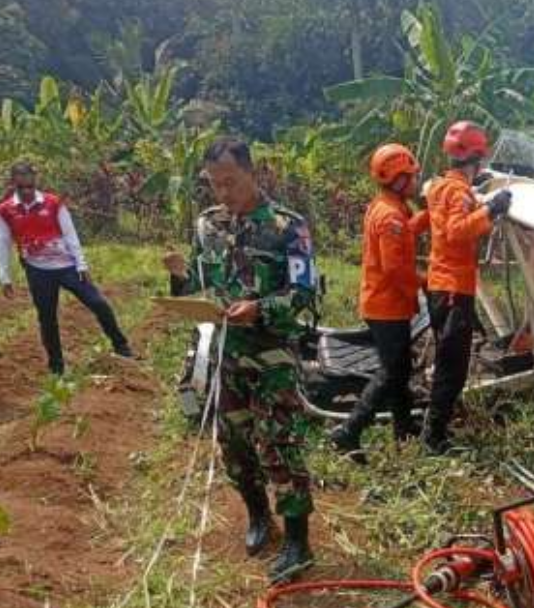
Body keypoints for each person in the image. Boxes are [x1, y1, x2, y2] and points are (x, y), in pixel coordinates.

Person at [163, 138, 319, 584]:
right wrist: (180, 276)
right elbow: (201, 279)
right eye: (214, 184)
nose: (223, 193)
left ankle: (297, 542)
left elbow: (303, 293)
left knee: (280, 444)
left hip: (271, 355)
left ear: (253, 172)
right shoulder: (208, 224)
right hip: (225, 353)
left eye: (230, 182)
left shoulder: (288, 226)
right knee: (233, 445)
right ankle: (258, 516)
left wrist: (260, 308)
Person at [329, 144, 429, 454]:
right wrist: (428, 283)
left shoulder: (389, 206)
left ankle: (404, 428)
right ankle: (349, 429)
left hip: (383, 302)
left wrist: (432, 214)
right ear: (398, 179)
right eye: (411, 176)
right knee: (391, 371)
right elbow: (395, 269)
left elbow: (407, 233)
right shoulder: (390, 216)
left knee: (399, 368)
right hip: (387, 306)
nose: (415, 181)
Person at [420, 121, 512, 454]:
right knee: (453, 369)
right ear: (477, 158)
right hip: (454, 289)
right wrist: (491, 207)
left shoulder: (441, 186)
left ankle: (435, 431)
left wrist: (478, 199)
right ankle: (433, 439)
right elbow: (458, 230)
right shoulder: (458, 192)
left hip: (439, 286)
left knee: (449, 363)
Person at [0, 162, 134, 375]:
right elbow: (3, 243)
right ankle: (57, 366)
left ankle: (121, 345)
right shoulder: (7, 210)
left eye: (29, 186)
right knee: (47, 317)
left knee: (98, 303)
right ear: (14, 184)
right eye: (21, 187)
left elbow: (70, 234)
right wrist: (5, 277)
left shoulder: (53, 203)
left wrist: (81, 264)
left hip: (67, 266)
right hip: (37, 270)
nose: (26, 191)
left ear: (35, 182)